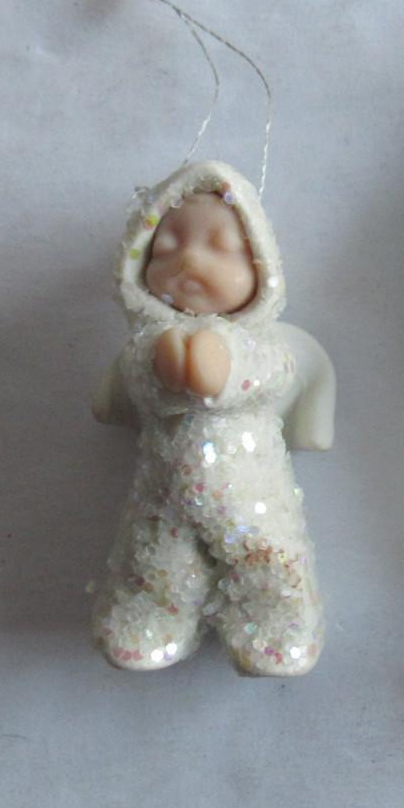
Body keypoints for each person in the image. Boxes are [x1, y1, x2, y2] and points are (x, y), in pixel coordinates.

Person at [91, 160, 334, 676]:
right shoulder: (143, 347)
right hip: (162, 491)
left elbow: (271, 374)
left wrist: (220, 366)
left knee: (268, 558)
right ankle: (149, 620)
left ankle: (277, 628)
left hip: (251, 488)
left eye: (221, 247)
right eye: (167, 248)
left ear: (263, 266)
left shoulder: (263, 345)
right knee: (156, 558)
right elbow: (131, 387)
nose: (190, 260)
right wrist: (163, 366)